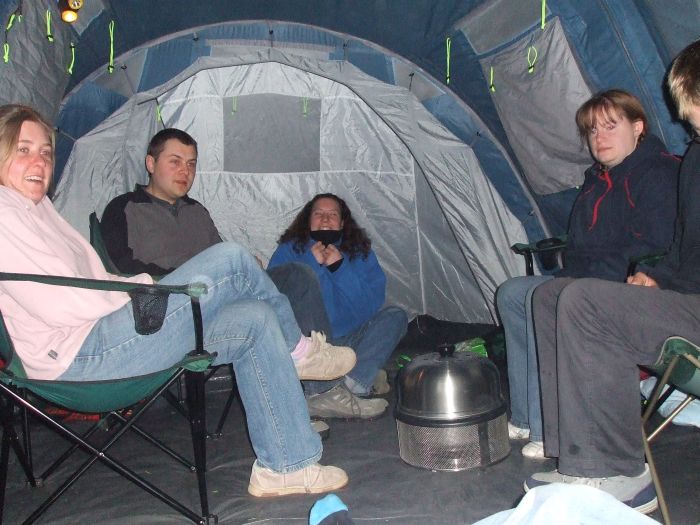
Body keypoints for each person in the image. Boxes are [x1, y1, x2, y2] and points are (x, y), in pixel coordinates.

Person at [0, 104, 356, 497]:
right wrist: (151, 291)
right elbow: (61, 301)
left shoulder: (38, 210)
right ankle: (300, 350)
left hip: (113, 329)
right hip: (82, 355)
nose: (40, 161)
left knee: (255, 317)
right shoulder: (5, 212)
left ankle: (286, 465)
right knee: (232, 259)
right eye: (23, 149)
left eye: (46, 151)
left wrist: (145, 289)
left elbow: (95, 282)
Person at [522, 39, 700, 514]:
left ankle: (622, 472)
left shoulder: (660, 172)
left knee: (584, 302)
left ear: (638, 128)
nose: (694, 130)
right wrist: (657, 277)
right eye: (693, 122)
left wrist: (642, 271)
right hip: (686, 297)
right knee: (549, 296)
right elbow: (683, 250)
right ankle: (574, 453)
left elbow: (649, 239)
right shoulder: (695, 162)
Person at [497, 89, 679, 459]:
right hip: (583, 278)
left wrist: (582, 276)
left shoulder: (658, 173)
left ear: (638, 127)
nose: (600, 137)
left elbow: (655, 245)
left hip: (627, 285)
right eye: (593, 130)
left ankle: (550, 428)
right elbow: (579, 243)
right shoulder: (596, 180)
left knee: (544, 298)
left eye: (611, 126)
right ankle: (527, 416)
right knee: (513, 292)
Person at [101, 128, 333, 340]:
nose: (185, 171)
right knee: (245, 281)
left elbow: (219, 254)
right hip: (174, 300)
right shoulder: (124, 208)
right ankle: (300, 349)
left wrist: (245, 265)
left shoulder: (196, 211)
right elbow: (120, 268)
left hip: (220, 292)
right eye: (175, 162)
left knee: (297, 274)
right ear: (151, 164)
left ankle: (319, 358)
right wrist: (187, 275)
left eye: (191, 164)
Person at [269, 193, 408, 419]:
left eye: (332, 214)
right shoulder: (289, 250)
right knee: (299, 275)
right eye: (318, 214)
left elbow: (369, 306)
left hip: (350, 339)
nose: (325, 219)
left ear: (342, 223)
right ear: (308, 220)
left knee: (396, 316)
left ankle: (351, 384)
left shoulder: (359, 251)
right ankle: (327, 390)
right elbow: (274, 300)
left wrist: (340, 268)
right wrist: (310, 265)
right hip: (311, 342)